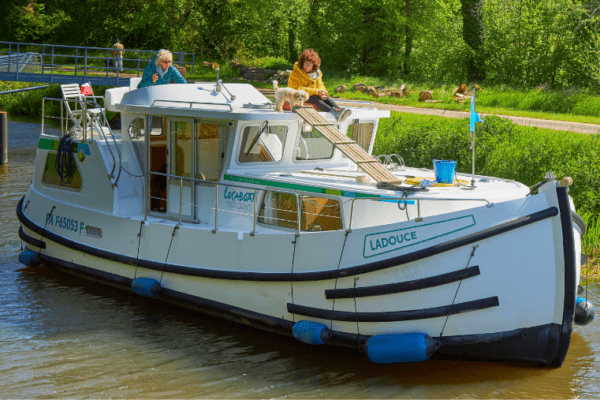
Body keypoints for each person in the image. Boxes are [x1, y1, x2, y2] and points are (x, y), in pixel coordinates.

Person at [288, 48, 351, 122]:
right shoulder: (295, 73)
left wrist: (323, 92)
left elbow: (320, 85)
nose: (308, 66)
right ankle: (334, 112)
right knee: (315, 98)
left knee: (325, 97)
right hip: (298, 96)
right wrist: (316, 92)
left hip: (312, 94)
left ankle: (340, 111)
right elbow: (296, 88)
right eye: (306, 64)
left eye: (310, 64)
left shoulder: (316, 74)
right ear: (302, 63)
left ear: (313, 65)